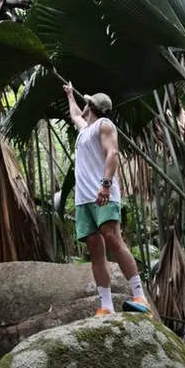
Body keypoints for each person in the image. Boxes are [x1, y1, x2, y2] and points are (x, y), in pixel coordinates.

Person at [63, 82, 151, 317]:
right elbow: (75, 116)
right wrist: (70, 95)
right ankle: (106, 306)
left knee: (113, 239)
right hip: (84, 199)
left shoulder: (104, 124)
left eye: (85, 103)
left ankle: (140, 296)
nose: (82, 107)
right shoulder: (85, 130)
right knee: (95, 248)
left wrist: (105, 184)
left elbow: (113, 153)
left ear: (90, 106)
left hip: (103, 193)